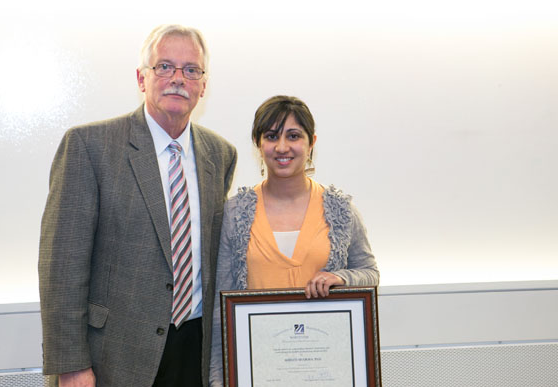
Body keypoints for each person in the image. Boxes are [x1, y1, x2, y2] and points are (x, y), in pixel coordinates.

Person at [38, 24, 237, 387]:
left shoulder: (220, 155)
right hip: (113, 357)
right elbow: (61, 266)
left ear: (203, 86)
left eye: (191, 70)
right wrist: (71, 366)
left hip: (195, 351)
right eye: (164, 66)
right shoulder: (89, 146)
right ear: (141, 78)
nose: (178, 78)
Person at [208, 95, 379, 386]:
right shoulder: (234, 213)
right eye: (272, 136)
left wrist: (341, 278)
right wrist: (218, 379)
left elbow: (370, 275)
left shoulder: (340, 210)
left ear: (311, 142)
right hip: (257, 372)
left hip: (325, 371)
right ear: (258, 144)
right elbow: (220, 307)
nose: (283, 147)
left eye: (294, 136)